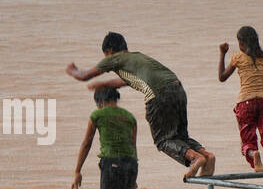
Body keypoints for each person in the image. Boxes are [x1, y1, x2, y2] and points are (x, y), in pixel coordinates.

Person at [65, 32, 216, 179]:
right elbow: (125, 81)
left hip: (158, 94)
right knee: (180, 137)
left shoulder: (115, 58)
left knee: (162, 141)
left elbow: (83, 76)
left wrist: (71, 70)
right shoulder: (136, 57)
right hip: (177, 89)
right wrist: (104, 84)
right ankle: (206, 155)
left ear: (109, 51)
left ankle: (195, 158)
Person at [70, 87, 158, 189]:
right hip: (132, 165)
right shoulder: (130, 118)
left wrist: (77, 171)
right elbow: (133, 146)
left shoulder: (97, 115)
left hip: (112, 164)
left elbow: (86, 143)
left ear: (101, 102)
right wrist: (133, 179)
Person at [217, 26, 263, 172]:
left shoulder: (237, 57)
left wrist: (222, 54)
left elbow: (222, 77)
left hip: (245, 103)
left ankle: (254, 155)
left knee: (247, 141)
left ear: (241, 43)